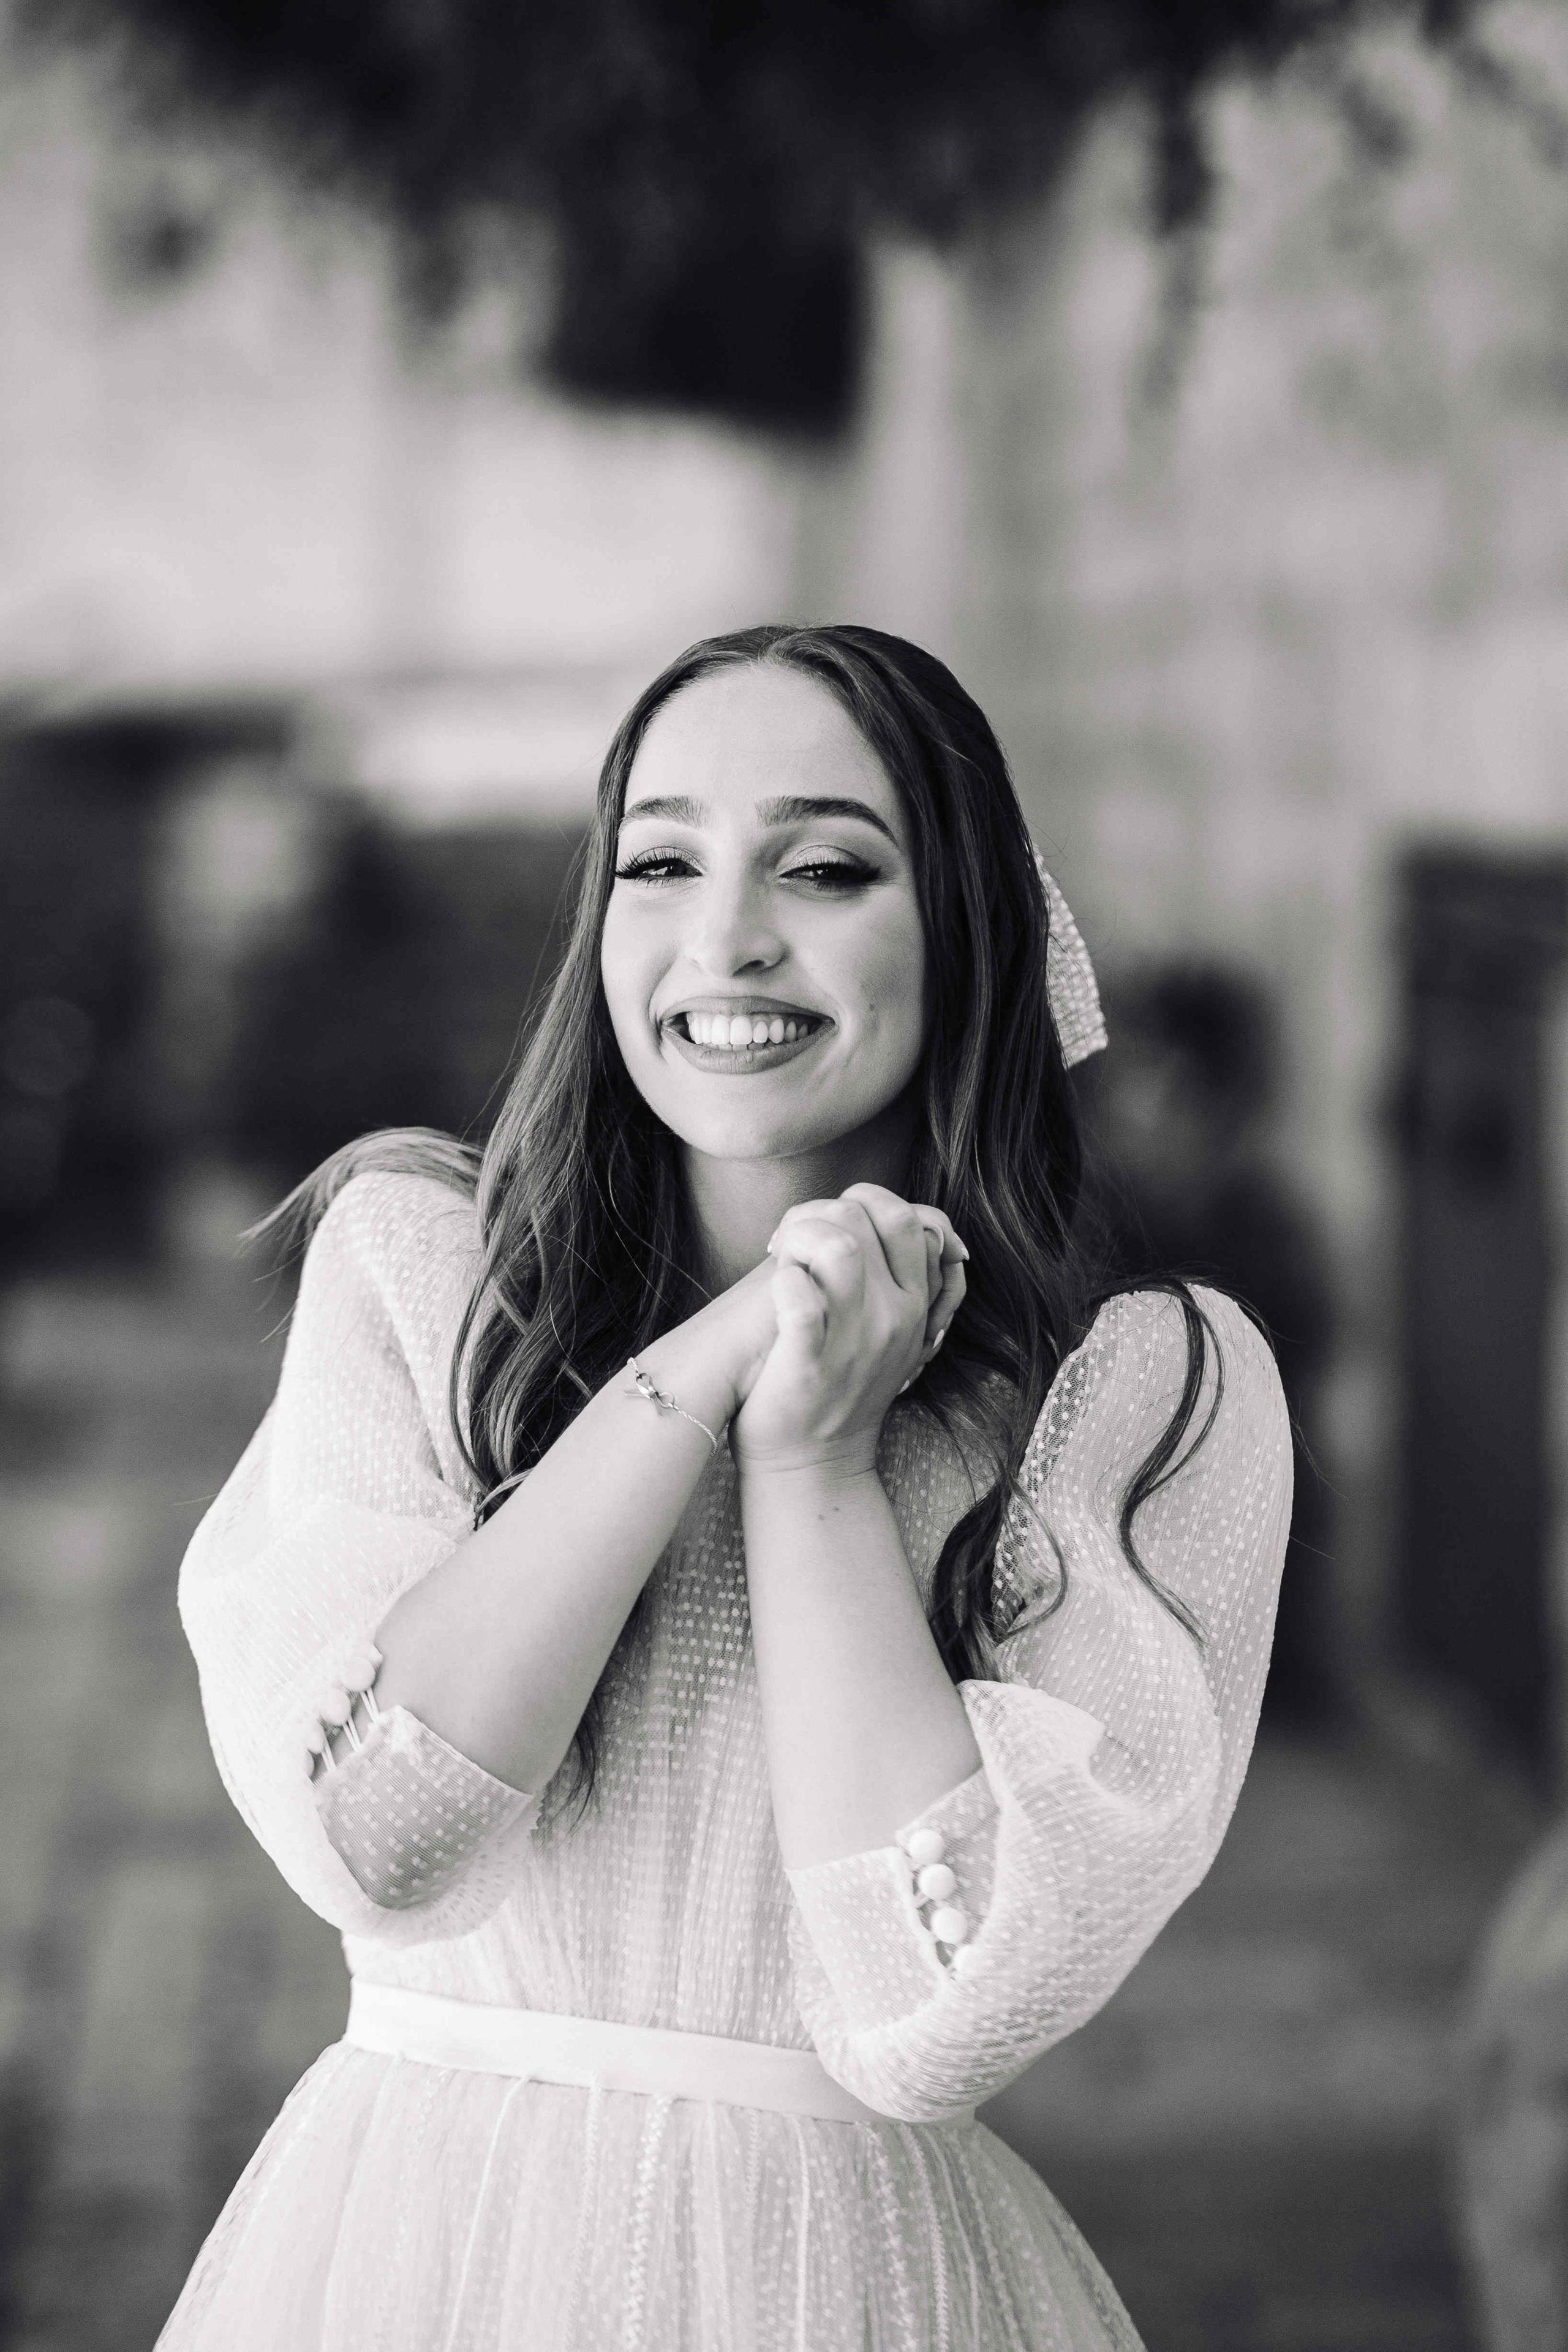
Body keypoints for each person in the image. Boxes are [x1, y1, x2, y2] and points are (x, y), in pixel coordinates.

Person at [157, 625, 1292, 2351]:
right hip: (414, 2255)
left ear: (968, 926)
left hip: (852, 2285)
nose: (726, 936)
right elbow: (381, 1839)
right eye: (663, 860)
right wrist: (702, 1367)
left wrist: (819, 1454)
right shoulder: (418, 1276)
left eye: (827, 867)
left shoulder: (1140, 1392)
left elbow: (936, 2012)